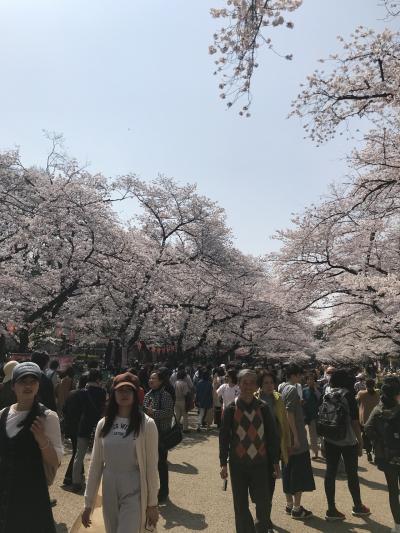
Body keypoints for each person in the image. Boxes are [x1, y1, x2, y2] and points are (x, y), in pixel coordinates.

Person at [82, 372, 159, 532]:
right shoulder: (103, 424)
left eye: (129, 390)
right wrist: (88, 504)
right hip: (109, 485)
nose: (124, 394)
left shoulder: (147, 424)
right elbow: (95, 464)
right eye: (120, 390)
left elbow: (151, 466)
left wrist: (152, 503)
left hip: (134, 487)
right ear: (113, 393)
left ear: (135, 394)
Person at [0, 362, 63, 533]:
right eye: (22, 381)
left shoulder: (48, 417)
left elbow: (55, 461)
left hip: (32, 496)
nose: (28, 386)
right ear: (13, 386)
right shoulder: (3, 414)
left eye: (33, 381)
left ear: (38, 386)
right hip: (4, 492)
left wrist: (42, 439)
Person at [219, 369, 280, 533]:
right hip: (238, 464)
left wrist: (275, 461)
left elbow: (272, 436)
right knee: (240, 504)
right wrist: (223, 463)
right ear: (238, 384)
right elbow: (224, 437)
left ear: (256, 386)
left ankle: (261, 529)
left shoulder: (263, 408)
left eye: (252, 382)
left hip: (261, 463)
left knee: (263, 503)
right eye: (244, 382)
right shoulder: (231, 409)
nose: (248, 386)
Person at [322, 369, 370, 521]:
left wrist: (322, 441)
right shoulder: (347, 395)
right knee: (352, 474)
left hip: (330, 438)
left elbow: (323, 417)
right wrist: (360, 441)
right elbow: (355, 422)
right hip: (347, 440)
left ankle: (331, 509)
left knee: (330, 473)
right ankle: (358, 506)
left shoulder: (327, 392)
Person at [255, 370, 290, 531]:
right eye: (266, 383)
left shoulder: (278, 398)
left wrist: (287, 443)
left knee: (270, 483)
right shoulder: (254, 399)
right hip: (257, 447)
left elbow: (283, 423)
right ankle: (261, 517)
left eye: (271, 382)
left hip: (274, 447)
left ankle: (265, 518)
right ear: (260, 385)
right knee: (259, 485)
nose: (269, 386)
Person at [280, 363, 315, 520]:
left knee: (287, 470)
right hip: (295, 436)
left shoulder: (281, 387)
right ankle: (297, 508)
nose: (301, 378)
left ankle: (289, 504)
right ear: (294, 375)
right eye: (299, 375)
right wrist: (296, 437)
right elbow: (289, 413)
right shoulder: (293, 389)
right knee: (298, 472)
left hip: (285, 437)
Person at [365, 377, 400, 533]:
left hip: (387, 456)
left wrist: (379, 441)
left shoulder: (378, 410)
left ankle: (398, 525)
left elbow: (367, 427)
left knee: (393, 491)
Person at [71, 369, 107, 493]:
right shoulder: (102, 392)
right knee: (100, 456)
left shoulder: (81, 392)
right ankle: (98, 482)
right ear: (98, 379)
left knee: (79, 455)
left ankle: (76, 482)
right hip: (98, 426)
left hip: (83, 425)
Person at [143, 369, 174, 503]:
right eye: (150, 378)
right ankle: (150, 490)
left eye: (153, 379)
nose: (150, 381)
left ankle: (164, 491)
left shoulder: (165, 395)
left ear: (161, 381)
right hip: (148, 433)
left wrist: (153, 413)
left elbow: (169, 412)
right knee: (149, 463)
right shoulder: (147, 395)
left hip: (161, 434)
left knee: (161, 463)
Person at [357, 378, 379, 463]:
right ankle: (376, 453)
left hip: (364, 419)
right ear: (374, 385)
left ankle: (368, 452)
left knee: (365, 436)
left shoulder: (361, 393)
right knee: (376, 437)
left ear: (365, 385)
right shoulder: (377, 393)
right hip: (375, 419)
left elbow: (357, 402)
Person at [303, 372, 321, 460]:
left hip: (317, 415)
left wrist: (315, 389)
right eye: (309, 379)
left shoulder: (318, 389)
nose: (311, 381)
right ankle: (314, 452)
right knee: (311, 435)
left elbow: (320, 398)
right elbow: (302, 402)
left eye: (312, 379)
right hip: (308, 416)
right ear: (306, 380)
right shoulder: (304, 390)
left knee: (319, 434)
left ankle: (321, 450)